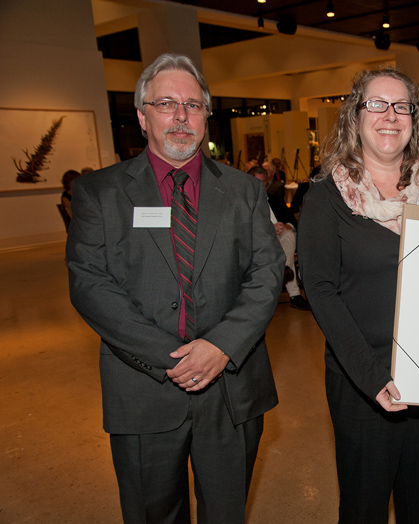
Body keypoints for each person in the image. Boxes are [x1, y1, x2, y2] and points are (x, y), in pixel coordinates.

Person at [66, 53, 284, 524]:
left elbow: (267, 274)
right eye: (166, 103)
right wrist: (175, 358)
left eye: (193, 104)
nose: (181, 116)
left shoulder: (244, 191)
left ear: (206, 116)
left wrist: (220, 347)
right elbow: (90, 285)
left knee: (227, 513)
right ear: (143, 117)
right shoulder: (99, 193)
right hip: (142, 389)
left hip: (231, 387)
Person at [298, 65, 419, 524]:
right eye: (376, 104)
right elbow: (320, 290)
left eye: (401, 106)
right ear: (355, 116)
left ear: (415, 118)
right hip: (362, 380)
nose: (389, 115)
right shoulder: (325, 195)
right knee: (364, 506)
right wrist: (372, 377)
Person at [248, 165, 310, 310]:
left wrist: (286, 225)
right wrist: (270, 229)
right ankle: (293, 293)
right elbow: (246, 229)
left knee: (289, 235)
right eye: (257, 182)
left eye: (263, 182)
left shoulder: (275, 200)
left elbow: (292, 220)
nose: (261, 186)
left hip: (282, 239)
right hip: (261, 242)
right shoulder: (245, 203)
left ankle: (285, 269)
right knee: (286, 246)